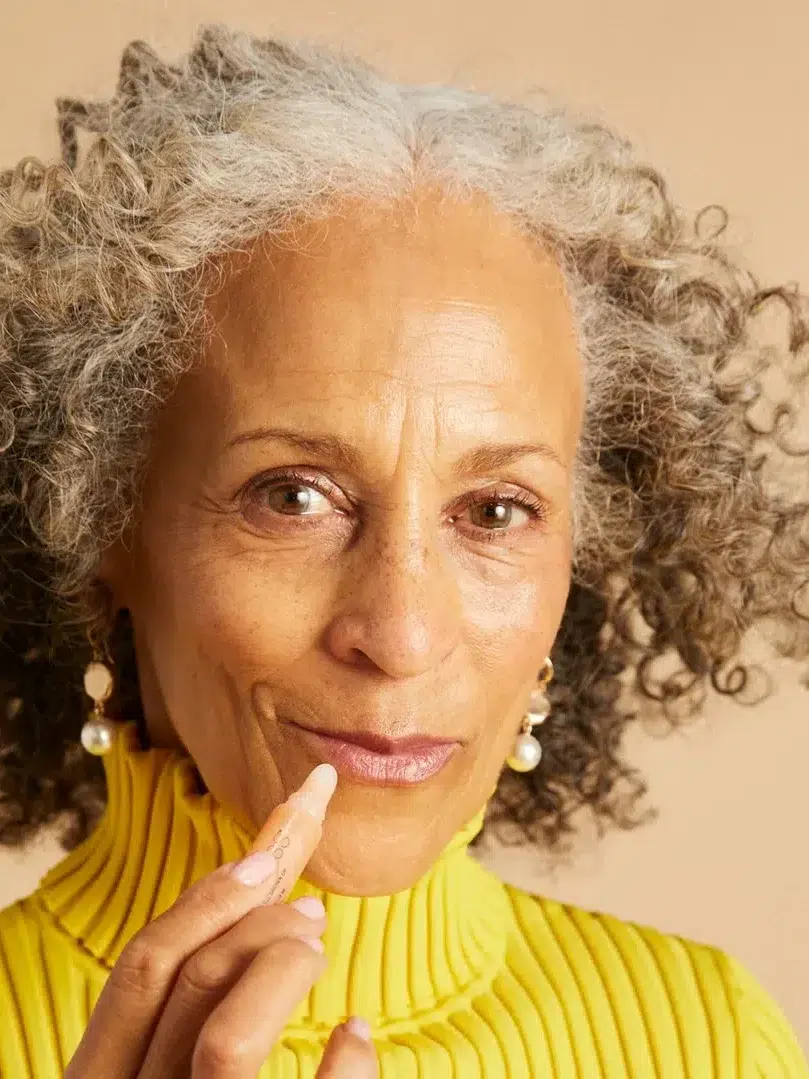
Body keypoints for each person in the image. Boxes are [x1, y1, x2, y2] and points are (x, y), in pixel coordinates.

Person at [0, 23, 806, 1079]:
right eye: (292, 496)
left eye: (496, 510)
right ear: (99, 522)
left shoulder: (704, 1038)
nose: (401, 632)